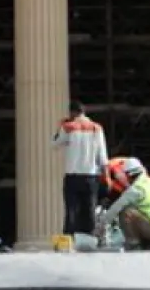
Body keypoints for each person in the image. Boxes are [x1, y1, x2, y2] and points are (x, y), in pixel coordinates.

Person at [52, 100, 108, 236]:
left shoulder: (68, 127)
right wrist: (106, 177)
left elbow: (54, 144)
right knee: (90, 210)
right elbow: (102, 156)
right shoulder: (96, 128)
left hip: (73, 176)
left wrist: (60, 126)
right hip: (91, 176)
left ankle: (69, 240)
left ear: (72, 113)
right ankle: (90, 239)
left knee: (71, 210)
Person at [97, 157, 150, 249]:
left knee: (126, 211)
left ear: (129, 175)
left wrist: (100, 226)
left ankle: (133, 243)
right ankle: (149, 244)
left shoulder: (136, 189)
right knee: (137, 211)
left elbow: (116, 208)